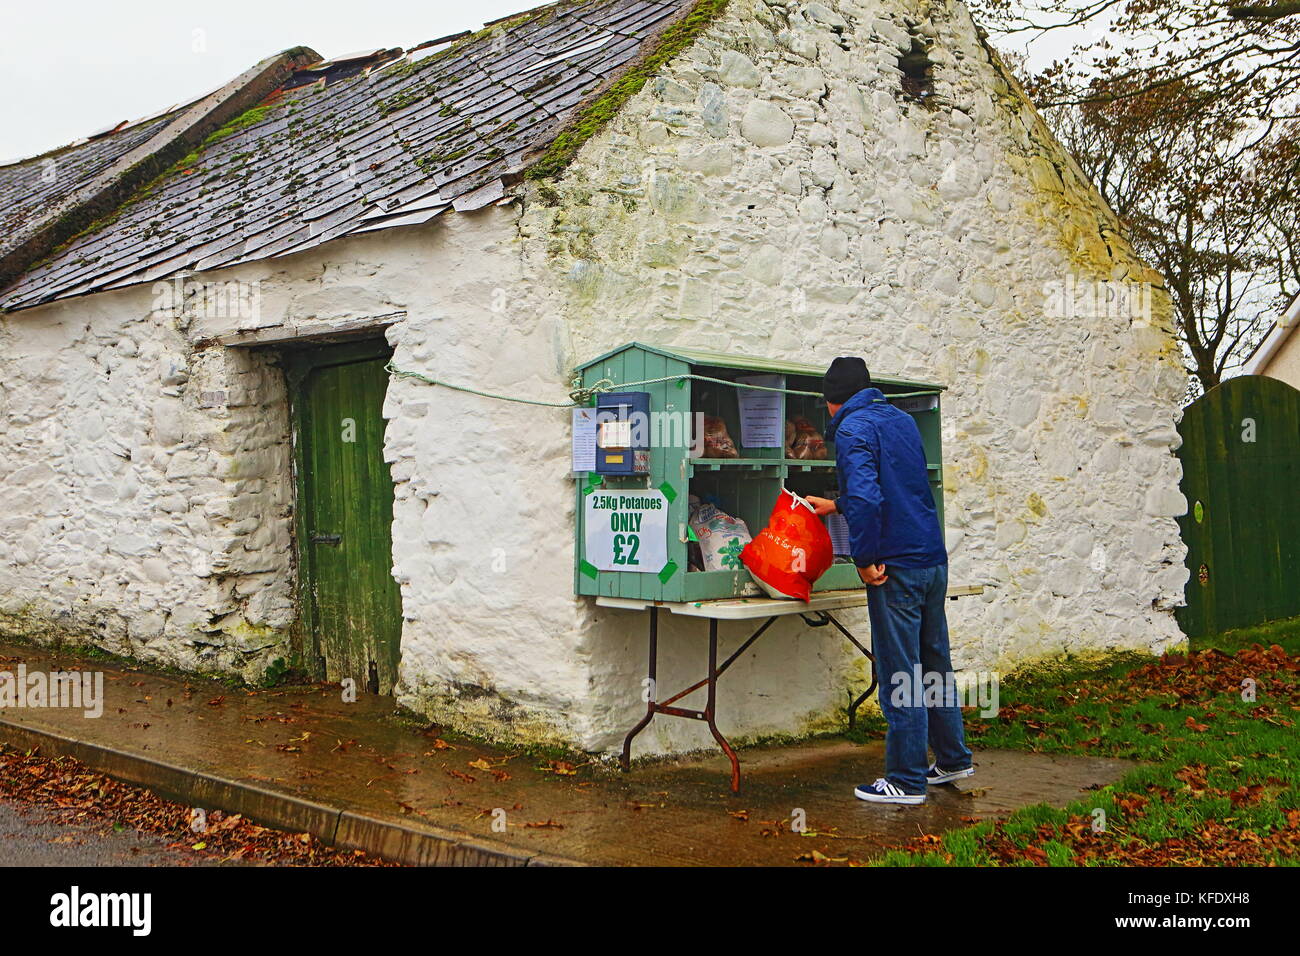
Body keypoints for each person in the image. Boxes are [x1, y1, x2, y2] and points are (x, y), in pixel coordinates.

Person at [806, 357, 972, 805]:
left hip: (893, 566)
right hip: (931, 560)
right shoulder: (900, 419)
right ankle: (953, 758)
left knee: (901, 672)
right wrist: (836, 506)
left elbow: (867, 495)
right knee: (935, 662)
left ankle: (905, 779)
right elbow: (897, 486)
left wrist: (864, 558)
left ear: (830, 402)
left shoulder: (850, 427)